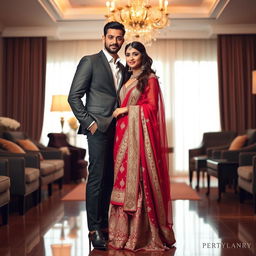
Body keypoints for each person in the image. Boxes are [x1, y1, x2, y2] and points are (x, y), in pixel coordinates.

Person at [109, 41, 176, 251]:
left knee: (137, 178)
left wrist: (126, 110)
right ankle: (119, 232)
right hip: (122, 137)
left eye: (135, 54)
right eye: (127, 54)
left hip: (137, 136)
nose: (130, 57)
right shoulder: (128, 79)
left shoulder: (150, 79)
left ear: (142, 56)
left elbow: (152, 108)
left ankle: (141, 233)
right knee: (120, 179)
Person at [68, 21, 125, 251]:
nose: (114, 41)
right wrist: (90, 123)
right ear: (103, 38)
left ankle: (104, 225)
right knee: (97, 178)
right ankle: (94, 230)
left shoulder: (123, 67)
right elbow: (74, 96)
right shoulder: (90, 61)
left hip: (119, 129)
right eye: (110, 37)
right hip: (98, 128)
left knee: (110, 179)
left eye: (119, 38)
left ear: (122, 39)